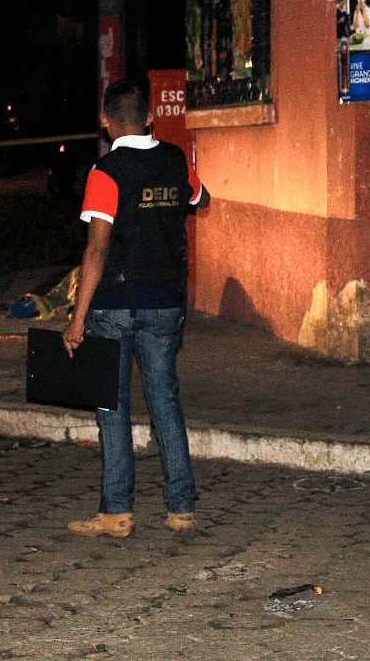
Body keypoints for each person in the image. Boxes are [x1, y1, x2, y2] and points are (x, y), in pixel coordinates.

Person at [62, 79, 210, 539]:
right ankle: (181, 509)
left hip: (115, 304)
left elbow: (97, 249)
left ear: (105, 121)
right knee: (165, 401)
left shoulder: (106, 172)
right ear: (149, 118)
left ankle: (117, 512)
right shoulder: (174, 159)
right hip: (165, 302)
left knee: (113, 406)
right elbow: (201, 199)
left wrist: (77, 318)